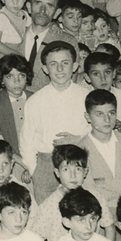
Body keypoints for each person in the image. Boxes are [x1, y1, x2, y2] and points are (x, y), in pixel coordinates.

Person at [19, 42, 91, 202]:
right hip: (46, 166)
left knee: (78, 213)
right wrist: (34, 170)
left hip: (78, 163)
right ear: (45, 68)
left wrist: (80, 140)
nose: (60, 69)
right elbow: (26, 139)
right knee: (47, 217)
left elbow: (97, 132)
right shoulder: (35, 101)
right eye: (53, 64)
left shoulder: (86, 97)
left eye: (65, 63)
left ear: (75, 66)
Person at [78, 89, 121, 218]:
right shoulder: (81, 148)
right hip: (98, 217)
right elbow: (90, 193)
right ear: (88, 117)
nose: (107, 119)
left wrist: (104, 182)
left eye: (111, 113)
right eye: (99, 114)